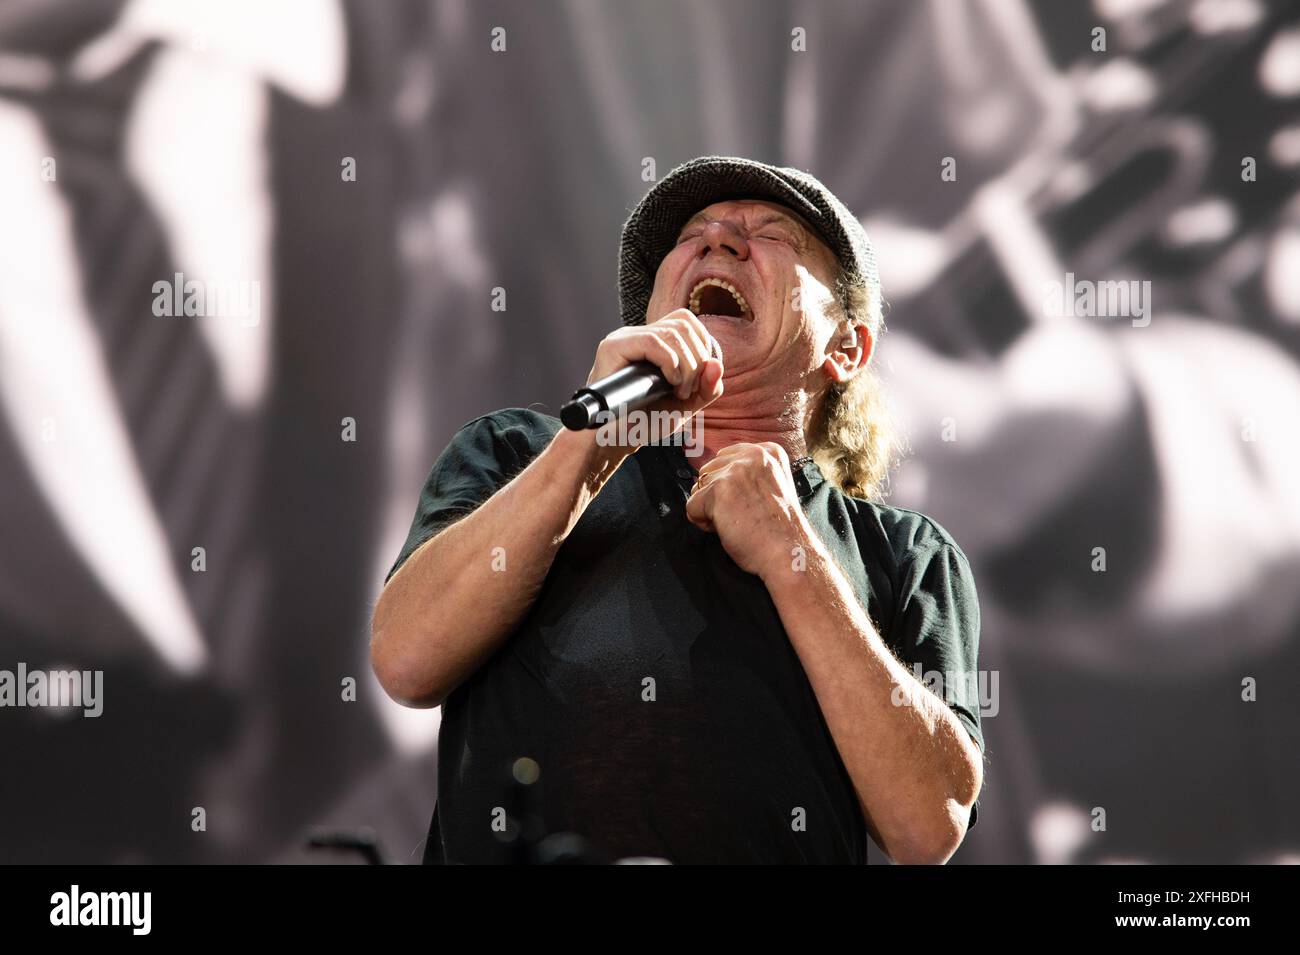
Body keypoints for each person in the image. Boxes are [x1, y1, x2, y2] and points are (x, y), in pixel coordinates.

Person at [371, 156, 985, 864]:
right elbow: (405, 658)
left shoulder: (906, 554)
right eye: (694, 233)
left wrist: (793, 554)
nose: (718, 242)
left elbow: (927, 825)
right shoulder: (511, 452)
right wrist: (589, 450)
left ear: (846, 346)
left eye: (769, 233)